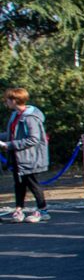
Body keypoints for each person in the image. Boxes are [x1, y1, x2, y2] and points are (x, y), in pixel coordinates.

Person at [0, 87, 50, 223]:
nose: (6, 102)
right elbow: (11, 135)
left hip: (30, 158)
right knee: (19, 184)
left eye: (8, 100)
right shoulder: (15, 115)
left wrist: (8, 145)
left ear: (14, 100)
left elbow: (33, 139)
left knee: (33, 184)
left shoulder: (30, 118)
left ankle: (43, 210)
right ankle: (19, 209)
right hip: (17, 158)